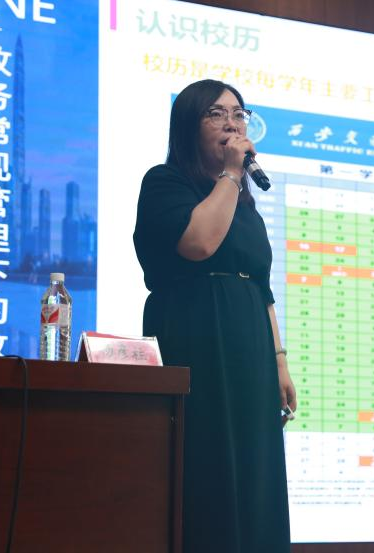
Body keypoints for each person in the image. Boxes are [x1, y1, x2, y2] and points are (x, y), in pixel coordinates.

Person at [133, 79, 295, 552]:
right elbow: (199, 243)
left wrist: (279, 362)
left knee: (255, 468)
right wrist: (230, 174)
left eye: (239, 113)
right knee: (207, 464)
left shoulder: (245, 205)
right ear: (189, 124)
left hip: (251, 347)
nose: (232, 123)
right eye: (216, 113)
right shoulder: (165, 183)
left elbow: (261, 287)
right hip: (194, 334)